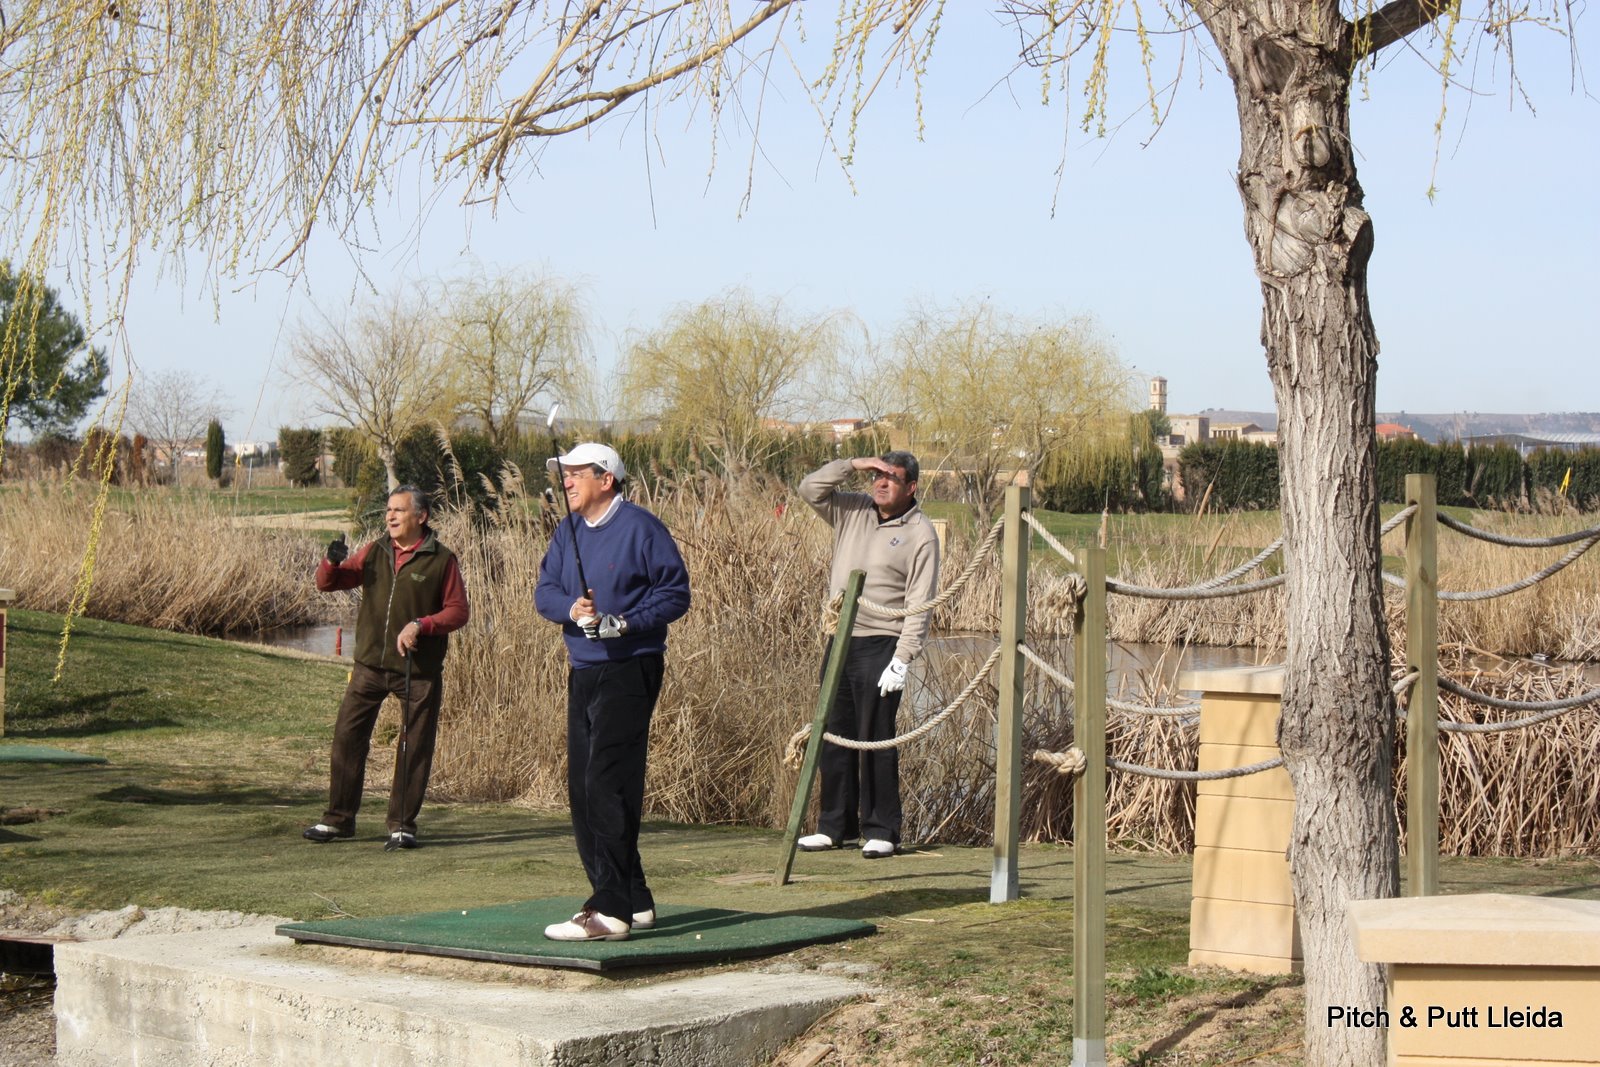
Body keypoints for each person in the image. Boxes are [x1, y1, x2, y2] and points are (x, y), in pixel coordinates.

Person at [534, 443, 691, 941]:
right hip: (583, 670)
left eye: (576, 473)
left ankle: (610, 910)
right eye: (564, 474)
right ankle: (635, 898)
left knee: (607, 782)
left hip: (630, 667)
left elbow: (674, 594)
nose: (566, 481)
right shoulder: (567, 531)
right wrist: (573, 610)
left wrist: (623, 622)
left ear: (606, 479)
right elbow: (544, 592)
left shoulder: (642, 528)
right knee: (584, 788)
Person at [302, 486, 470, 851]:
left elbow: (459, 611)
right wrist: (331, 562)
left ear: (421, 516)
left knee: (414, 747)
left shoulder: (441, 559)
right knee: (347, 738)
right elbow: (328, 583)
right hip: (369, 666)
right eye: (388, 510)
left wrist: (422, 625)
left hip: (418, 670)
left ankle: (402, 827)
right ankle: (338, 819)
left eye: (398, 510)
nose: (390, 516)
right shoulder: (375, 551)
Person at [796, 451, 940, 859]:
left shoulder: (921, 533)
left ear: (911, 487)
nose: (881, 483)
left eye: (891, 478)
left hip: (882, 641)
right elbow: (809, 489)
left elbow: (920, 602)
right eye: (877, 476)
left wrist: (903, 657)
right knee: (834, 731)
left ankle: (882, 829)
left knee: (875, 735)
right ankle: (834, 826)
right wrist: (853, 465)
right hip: (840, 636)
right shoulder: (852, 510)